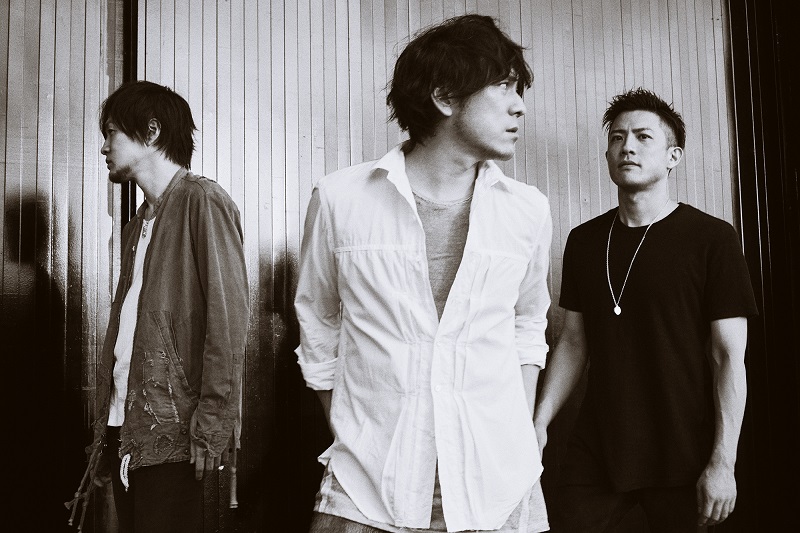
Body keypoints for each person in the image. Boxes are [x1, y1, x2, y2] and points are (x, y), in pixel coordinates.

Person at [295, 14, 553, 533]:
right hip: (367, 488)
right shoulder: (341, 198)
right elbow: (318, 323)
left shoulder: (527, 209)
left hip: (498, 486)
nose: (519, 105)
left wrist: (517, 425)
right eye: (503, 86)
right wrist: (355, 427)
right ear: (444, 97)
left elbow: (528, 324)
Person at [534, 88, 757, 532]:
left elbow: (728, 357)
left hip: (685, 447)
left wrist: (723, 461)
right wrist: (539, 424)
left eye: (642, 137)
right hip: (601, 443)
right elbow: (574, 343)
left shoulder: (713, 239)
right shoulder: (584, 241)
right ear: (607, 154)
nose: (627, 147)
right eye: (617, 138)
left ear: (673, 156)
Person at [65, 80, 249, 532]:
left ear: (151, 132)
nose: (104, 147)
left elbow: (228, 322)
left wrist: (212, 424)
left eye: (111, 133)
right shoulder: (137, 225)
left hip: (179, 436)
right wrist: (107, 428)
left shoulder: (202, 201)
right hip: (126, 429)